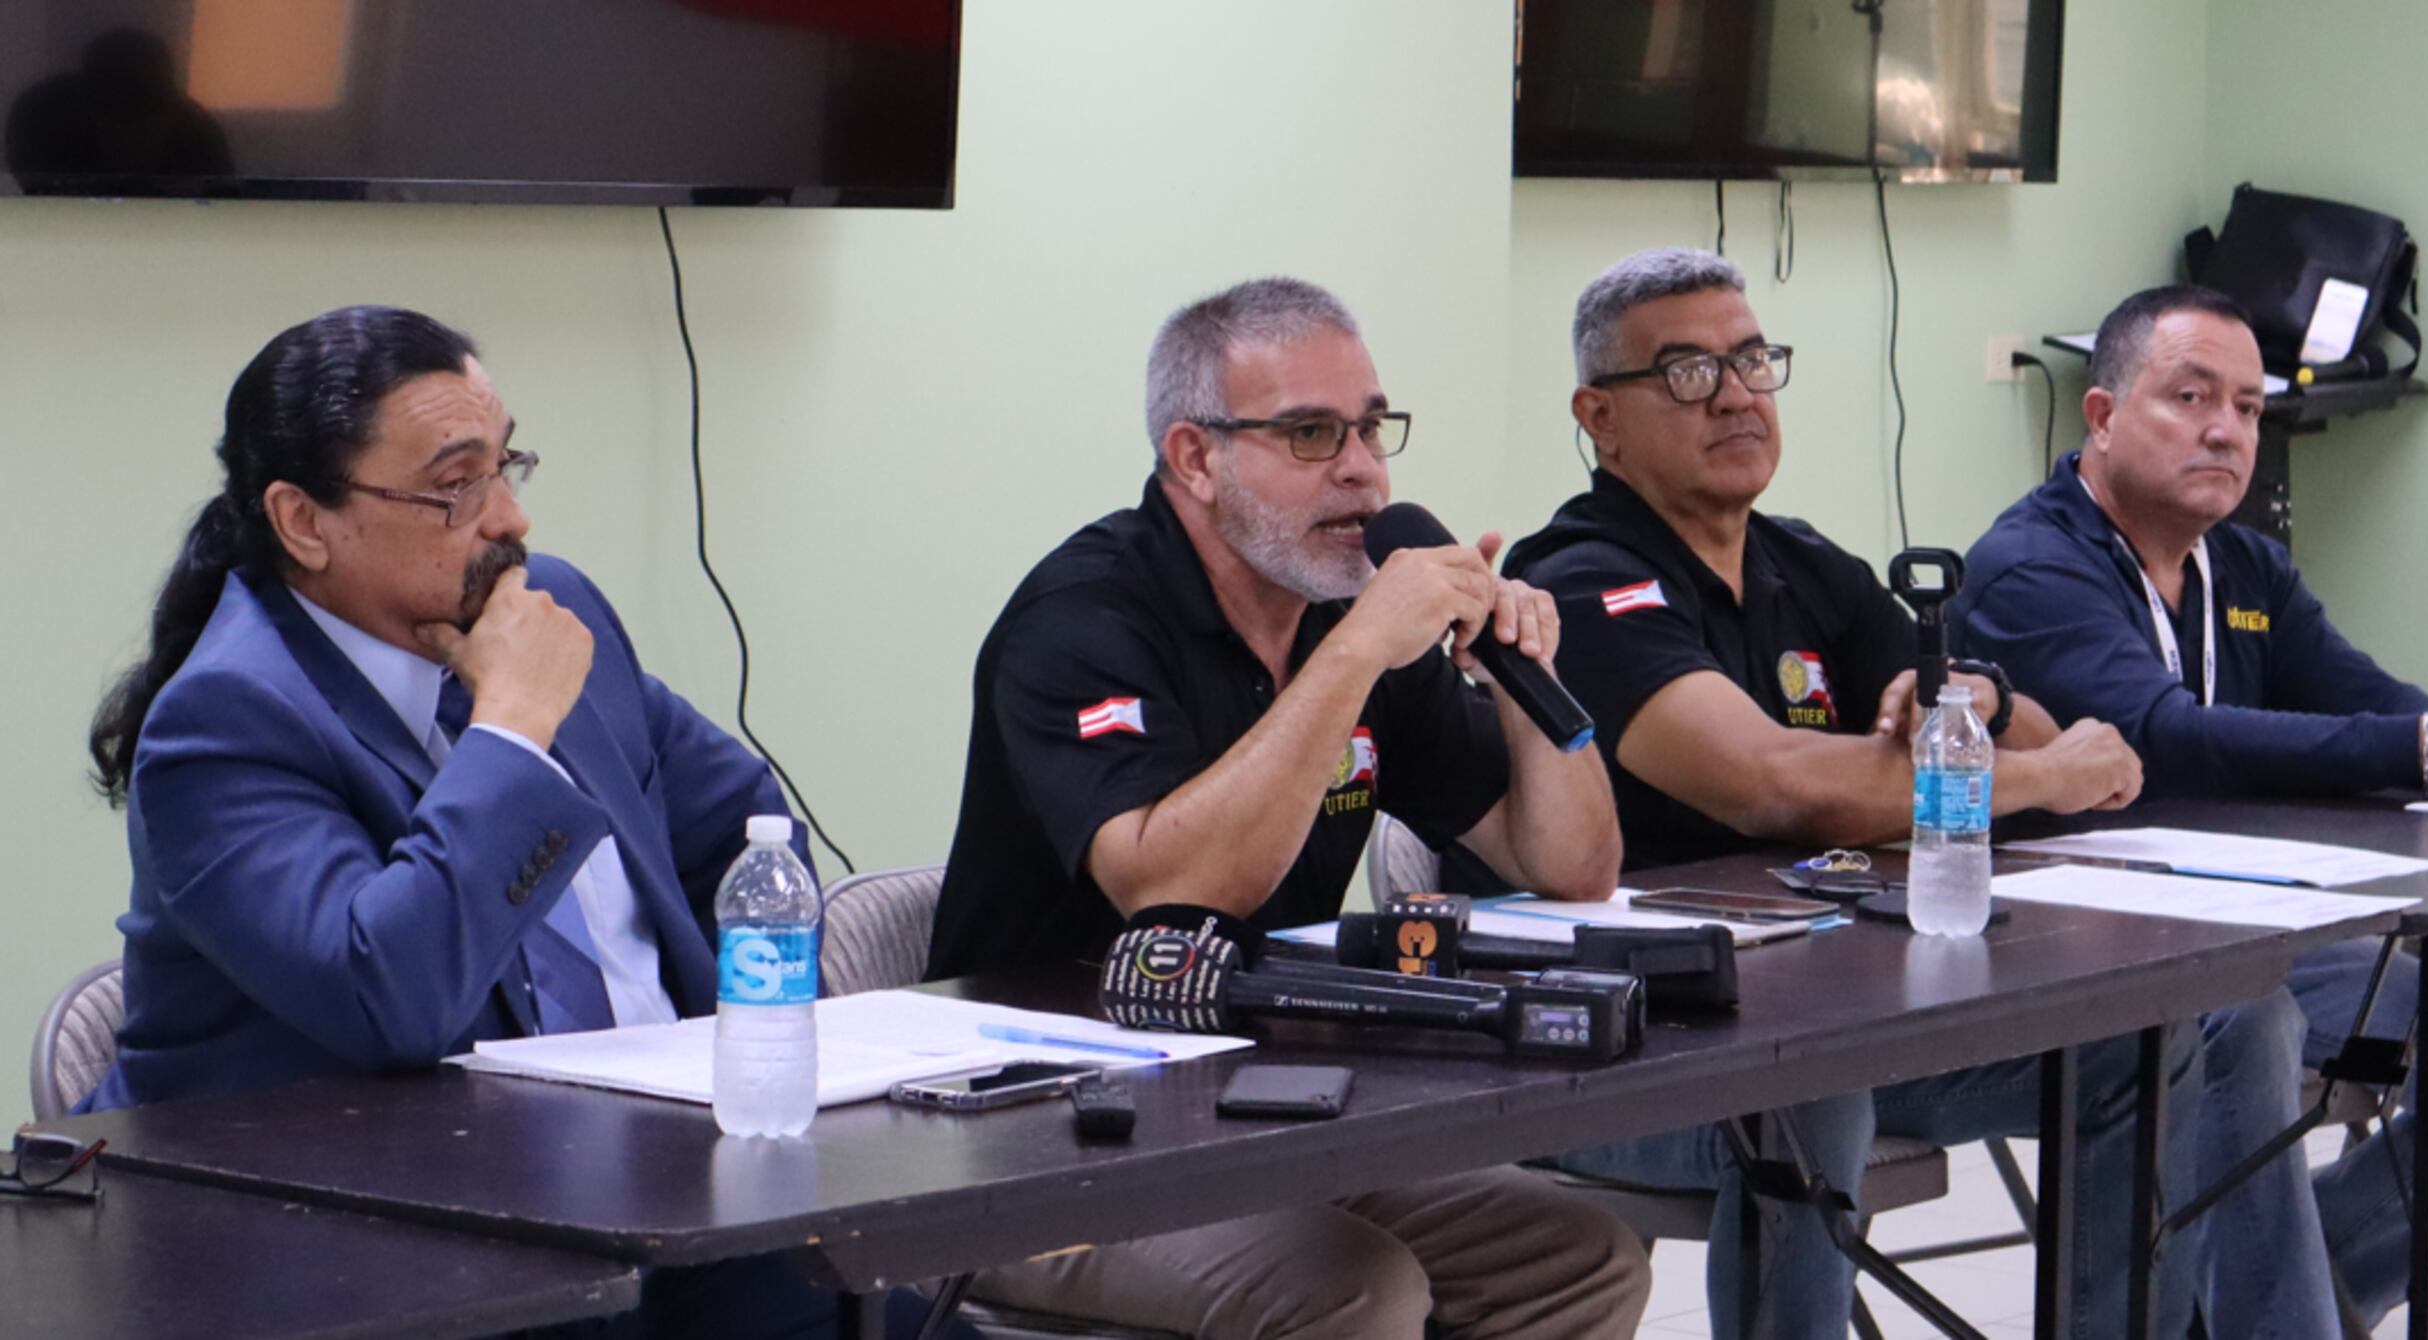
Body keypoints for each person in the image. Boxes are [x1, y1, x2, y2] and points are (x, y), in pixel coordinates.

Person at [80, 306, 848, 1339]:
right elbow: (387, 990)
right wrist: (513, 732)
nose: (510, 520)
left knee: (849, 1282)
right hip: (370, 1247)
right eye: (455, 485)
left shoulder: (553, 609)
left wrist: (730, 1064)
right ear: (305, 521)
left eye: (507, 465)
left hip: (661, 1188)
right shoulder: (229, 720)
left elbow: (751, 834)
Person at [913, 277, 1650, 1339]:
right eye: (1310, 432)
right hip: (1044, 1140)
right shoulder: (1080, 621)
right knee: (1350, 1285)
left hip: (1265, 1104)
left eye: (1369, 427)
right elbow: (1174, 891)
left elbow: (1572, 866)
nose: (1359, 467)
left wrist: (1519, 672)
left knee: (1574, 1255)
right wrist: (1355, 650)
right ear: (1195, 459)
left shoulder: (1351, 607)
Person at [1503, 247, 2218, 1339]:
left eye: (1753, 360)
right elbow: (1778, 787)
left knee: (2174, 1030)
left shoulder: (1799, 559)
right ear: (1599, 416)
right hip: (1637, 1052)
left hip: (1841, 996)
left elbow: (1997, 709)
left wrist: (1975, 690)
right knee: (1814, 1079)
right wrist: (2044, 772)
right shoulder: (1586, 578)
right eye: (1690, 372)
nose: (1739, 393)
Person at [1952, 283, 2428, 1335]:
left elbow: (2366, 699)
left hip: (2264, 924)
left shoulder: (2244, 565)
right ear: (2100, 417)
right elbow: (2161, 736)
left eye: (2246, 406)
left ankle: (2260, 1309)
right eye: (2191, 397)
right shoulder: (2029, 566)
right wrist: (2427, 746)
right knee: (2252, 1028)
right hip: (2097, 952)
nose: (2226, 430)